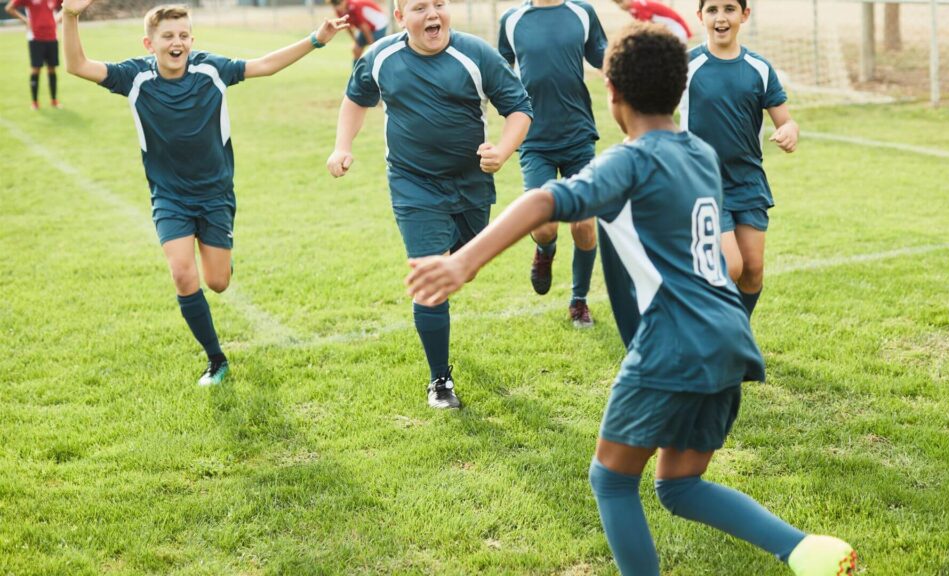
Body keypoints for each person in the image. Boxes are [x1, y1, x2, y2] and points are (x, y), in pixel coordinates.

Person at [405, 22, 855, 576]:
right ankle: (805, 549)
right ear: (680, 89)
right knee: (679, 486)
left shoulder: (630, 160)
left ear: (612, 95)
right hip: (729, 336)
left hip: (672, 342)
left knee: (611, 480)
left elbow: (545, 199)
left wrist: (462, 260)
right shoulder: (699, 153)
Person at [62, 1, 349, 386]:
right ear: (150, 43)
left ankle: (221, 259)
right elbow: (77, 65)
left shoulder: (210, 69)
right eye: (167, 36)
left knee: (217, 282)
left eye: (183, 35)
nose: (176, 42)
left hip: (215, 194)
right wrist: (70, 15)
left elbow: (264, 64)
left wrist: (316, 39)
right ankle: (216, 360)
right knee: (182, 273)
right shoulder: (133, 78)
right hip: (170, 197)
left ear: (192, 40)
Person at [326, 0, 532, 409]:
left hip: (472, 184)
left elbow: (520, 109)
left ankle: (451, 270)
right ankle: (440, 381)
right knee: (432, 276)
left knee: (462, 272)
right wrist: (341, 147)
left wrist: (504, 151)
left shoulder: (476, 55)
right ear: (400, 18)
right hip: (413, 183)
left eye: (439, 4)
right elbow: (355, 99)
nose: (433, 14)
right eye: (420, 7)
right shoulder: (381, 57)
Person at [680, 0, 798, 318]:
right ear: (700, 16)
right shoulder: (685, 66)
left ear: (744, 15)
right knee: (730, 265)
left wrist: (790, 130)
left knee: (753, 270)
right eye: (713, 9)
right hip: (702, 181)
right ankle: (713, 336)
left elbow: (784, 120)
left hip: (748, 181)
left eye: (729, 9)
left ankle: (736, 336)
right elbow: (656, 112)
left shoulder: (760, 68)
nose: (721, 17)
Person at [498, 0, 606, 328]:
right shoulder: (512, 20)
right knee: (543, 224)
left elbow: (604, 57)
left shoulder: (582, 13)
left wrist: (629, 65)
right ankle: (545, 251)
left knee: (584, 225)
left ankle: (579, 301)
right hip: (534, 140)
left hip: (578, 137)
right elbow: (498, 75)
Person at [6, 0, 65, 109]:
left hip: (52, 37)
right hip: (35, 37)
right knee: (36, 69)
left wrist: (58, 17)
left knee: (52, 69)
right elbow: (9, 8)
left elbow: (68, 4)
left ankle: (54, 100)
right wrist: (25, 20)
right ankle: (35, 102)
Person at [612, 0, 691, 43]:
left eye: (621, 2)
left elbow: (645, 27)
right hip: (670, 30)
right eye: (617, 4)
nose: (620, 6)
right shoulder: (634, 8)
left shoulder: (638, 6)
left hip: (677, 29)